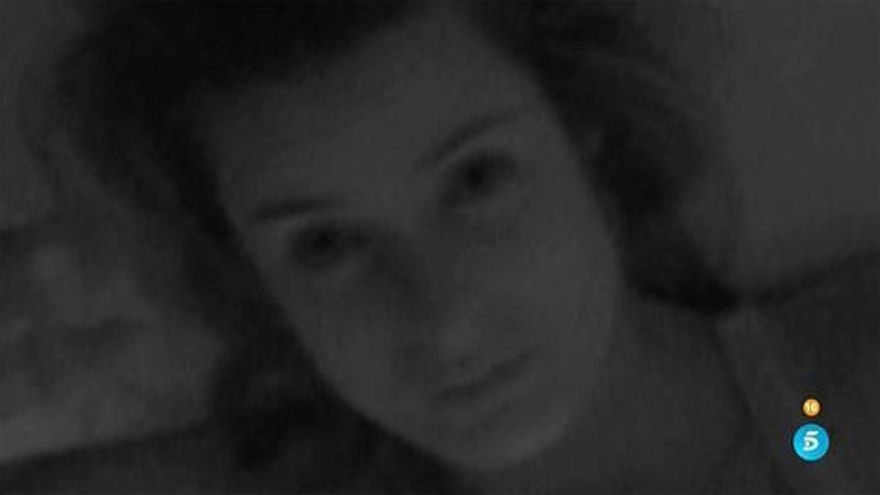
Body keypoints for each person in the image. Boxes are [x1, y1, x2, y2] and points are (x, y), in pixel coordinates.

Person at [8, 1, 789, 493]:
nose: (445, 323)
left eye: (477, 179)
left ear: (585, 129)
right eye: (325, 243)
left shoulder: (832, 393)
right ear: (251, 273)